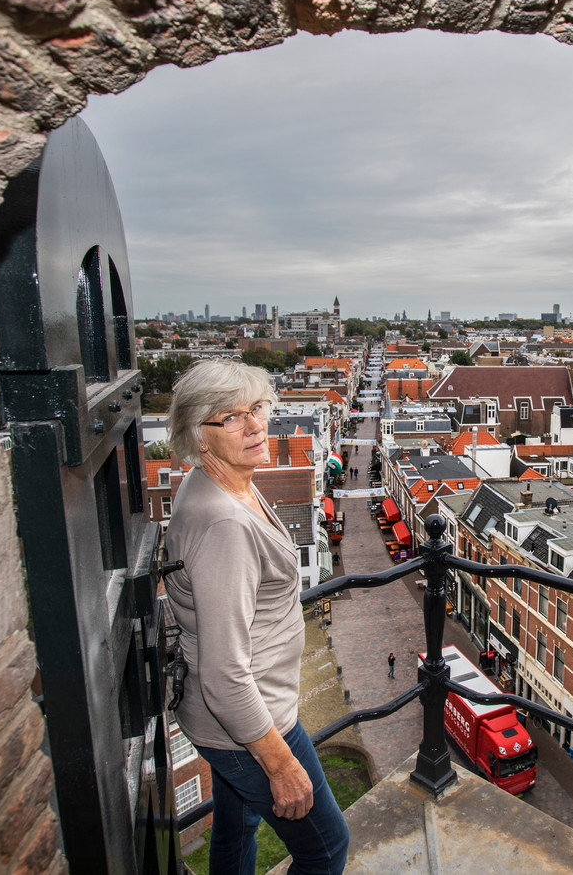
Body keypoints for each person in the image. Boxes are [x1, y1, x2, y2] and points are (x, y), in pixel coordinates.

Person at [164, 360, 349, 875]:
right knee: (326, 847)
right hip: (250, 722)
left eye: (257, 409)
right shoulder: (223, 523)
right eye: (229, 417)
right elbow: (224, 675)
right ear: (198, 436)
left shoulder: (223, 484)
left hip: (228, 720)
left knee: (236, 828)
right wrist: (280, 762)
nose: (253, 425)